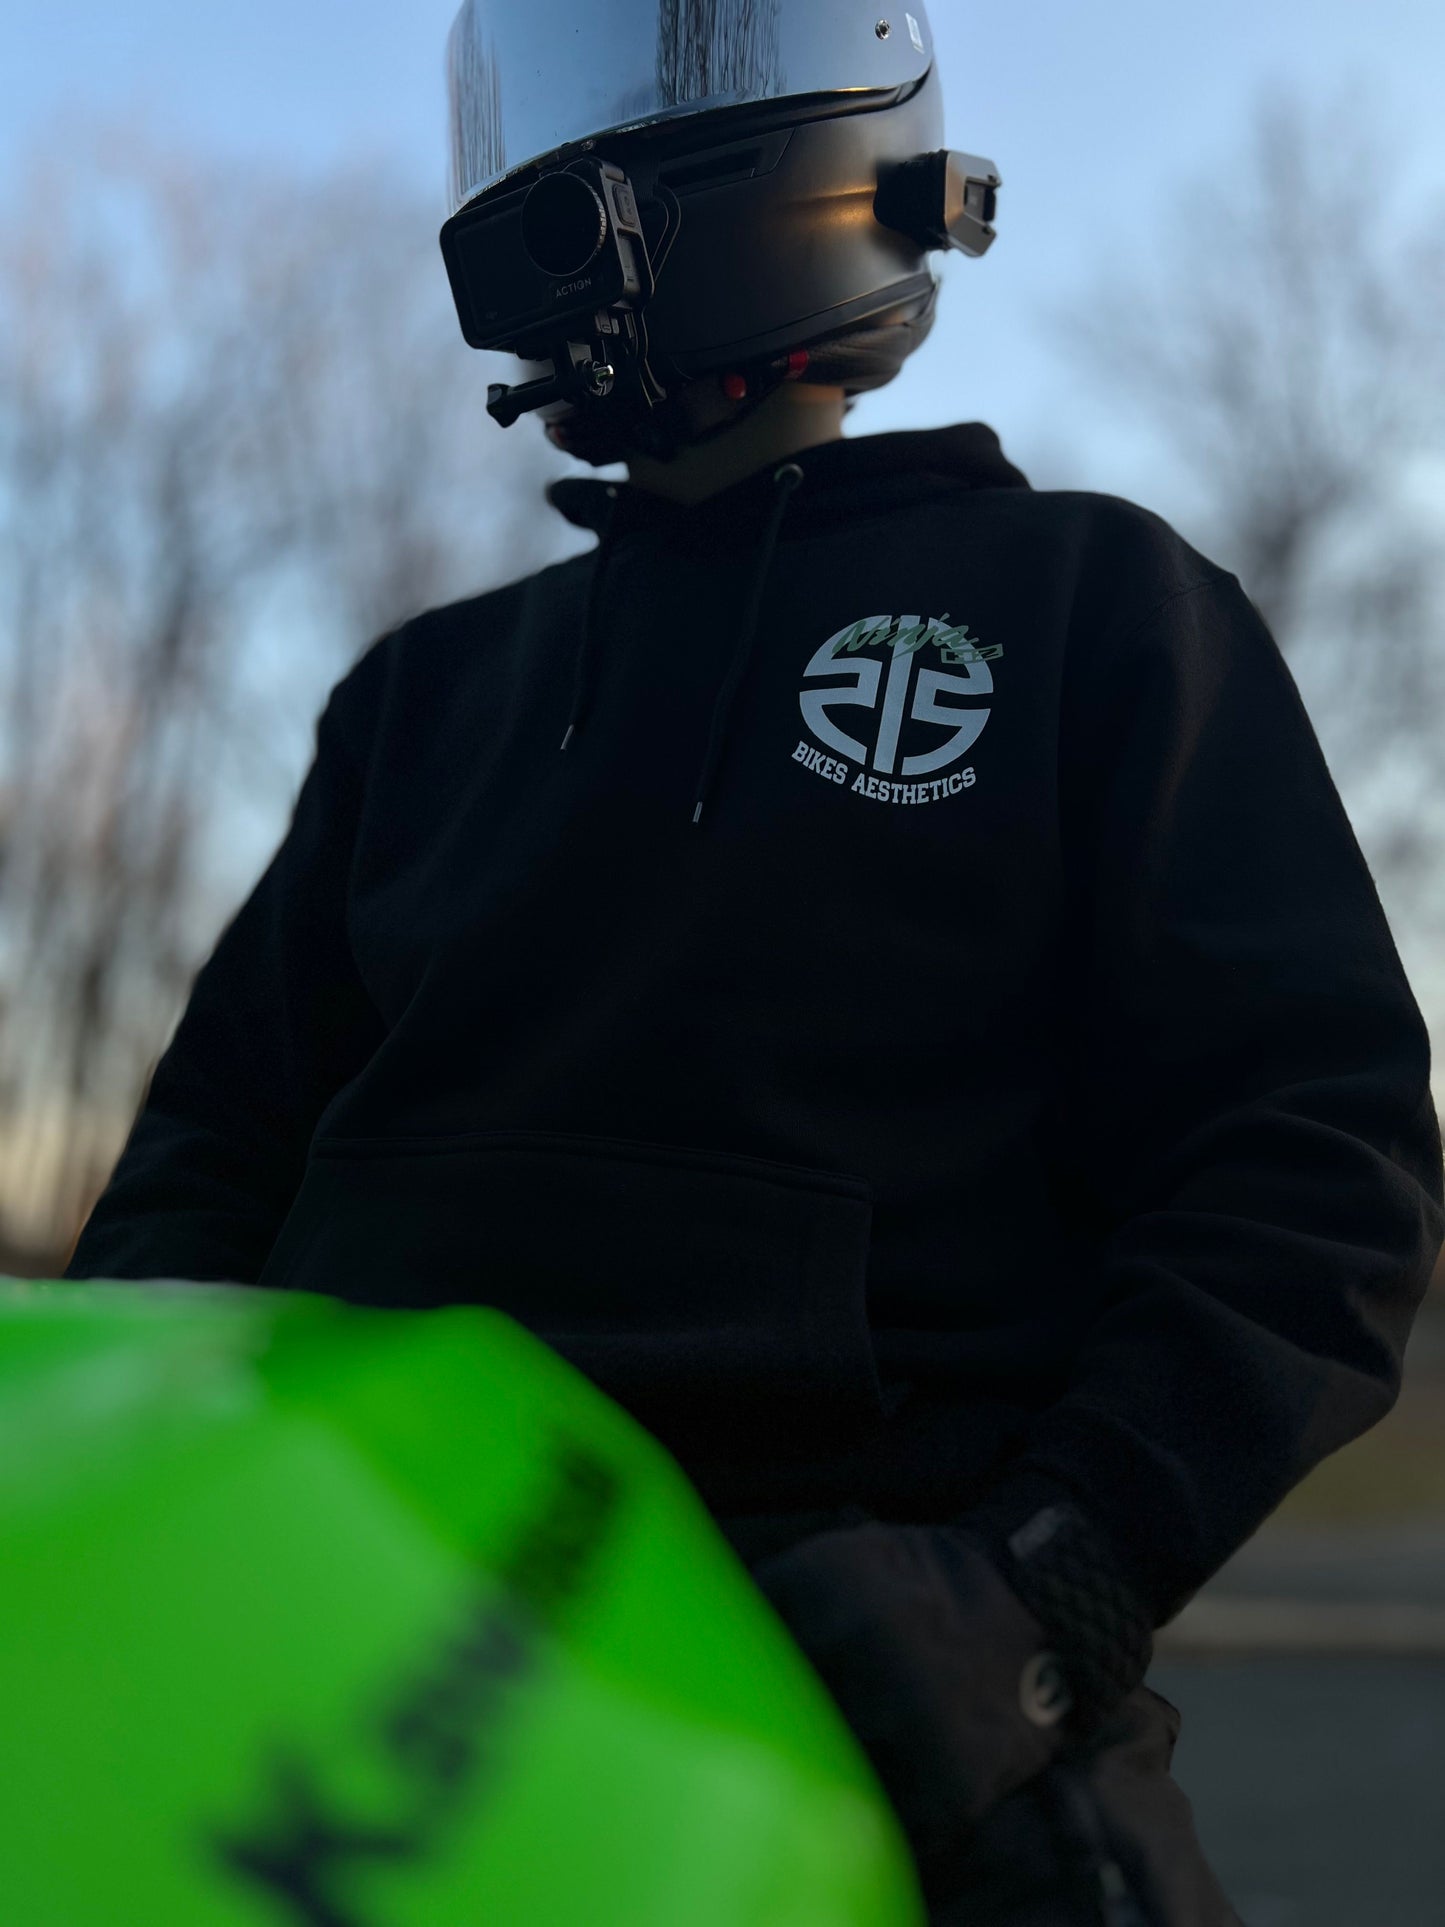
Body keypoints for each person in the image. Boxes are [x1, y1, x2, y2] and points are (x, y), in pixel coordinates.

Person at [66, 4, 1445, 1923]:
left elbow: (1314, 1168)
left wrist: (1042, 1590)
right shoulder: (424, 700)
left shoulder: (1088, 605)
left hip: (877, 1684)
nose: (557, 162)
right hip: (340, 1637)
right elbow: (200, 1179)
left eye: (657, 79)